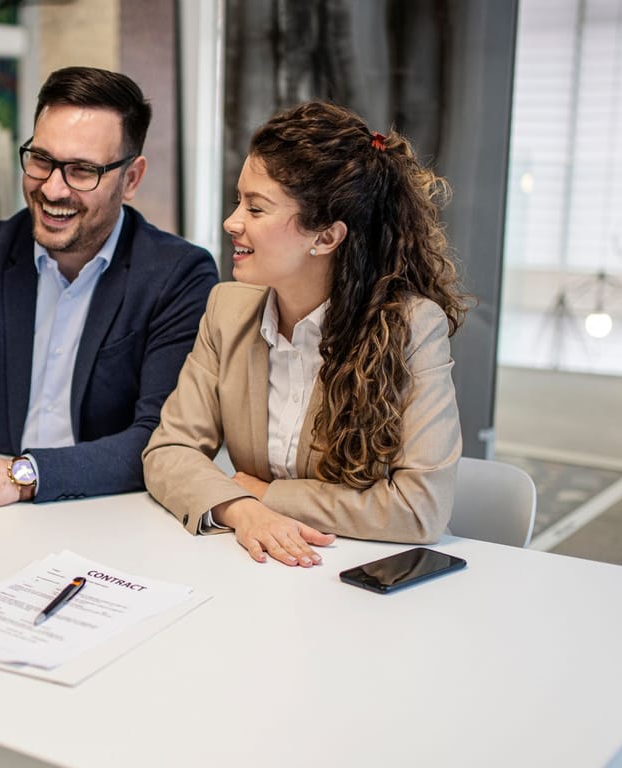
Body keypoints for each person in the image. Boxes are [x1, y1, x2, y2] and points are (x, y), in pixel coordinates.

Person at [0, 66, 219, 504]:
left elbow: (160, 437)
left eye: (82, 170)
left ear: (131, 178)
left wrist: (19, 476)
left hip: (104, 509)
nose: (52, 189)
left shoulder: (179, 275)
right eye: (41, 159)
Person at [142, 101, 469, 567]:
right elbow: (169, 450)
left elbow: (420, 509)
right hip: (262, 568)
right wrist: (243, 509)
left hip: (369, 577)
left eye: (256, 208)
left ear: (326, 238)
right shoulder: (226, 308)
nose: (232, 222)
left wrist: (268, 494)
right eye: (238, 201)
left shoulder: (413, 327)